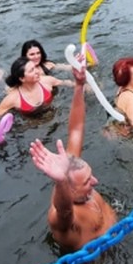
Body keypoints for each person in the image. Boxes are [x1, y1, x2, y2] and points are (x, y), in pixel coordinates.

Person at [29, 63, 117, 252]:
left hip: (117, 240)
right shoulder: (64, 219)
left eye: (90, 176)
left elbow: (76, 130)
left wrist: (78, 85)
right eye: (86, 182)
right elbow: (64, 211)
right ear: (68, 189)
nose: (95, 182)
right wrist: (60, 182)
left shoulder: (73, 170)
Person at [0, 56, 70, 138]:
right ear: (22, 78)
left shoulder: (47, 81)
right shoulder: (13, 98)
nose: (37, 71)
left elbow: (67, 83)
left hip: (55, 116)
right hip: (33, 126)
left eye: (35, 67)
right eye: (31, 70)